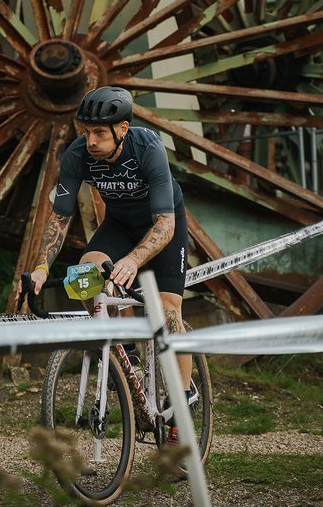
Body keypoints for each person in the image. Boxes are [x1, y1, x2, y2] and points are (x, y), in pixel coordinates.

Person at [20, 85, 196, 444]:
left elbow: (164, 224)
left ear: (123, 129)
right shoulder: (77, 155)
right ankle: (123, 351)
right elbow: (59, 220)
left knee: (168, 310)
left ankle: (181, 403)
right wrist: (40, 267)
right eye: (86, 131)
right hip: (119, 225)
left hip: (162, 225)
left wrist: (133, 260)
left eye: (100, 132)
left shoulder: (147, 148)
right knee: (85, 273)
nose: (91, 140)